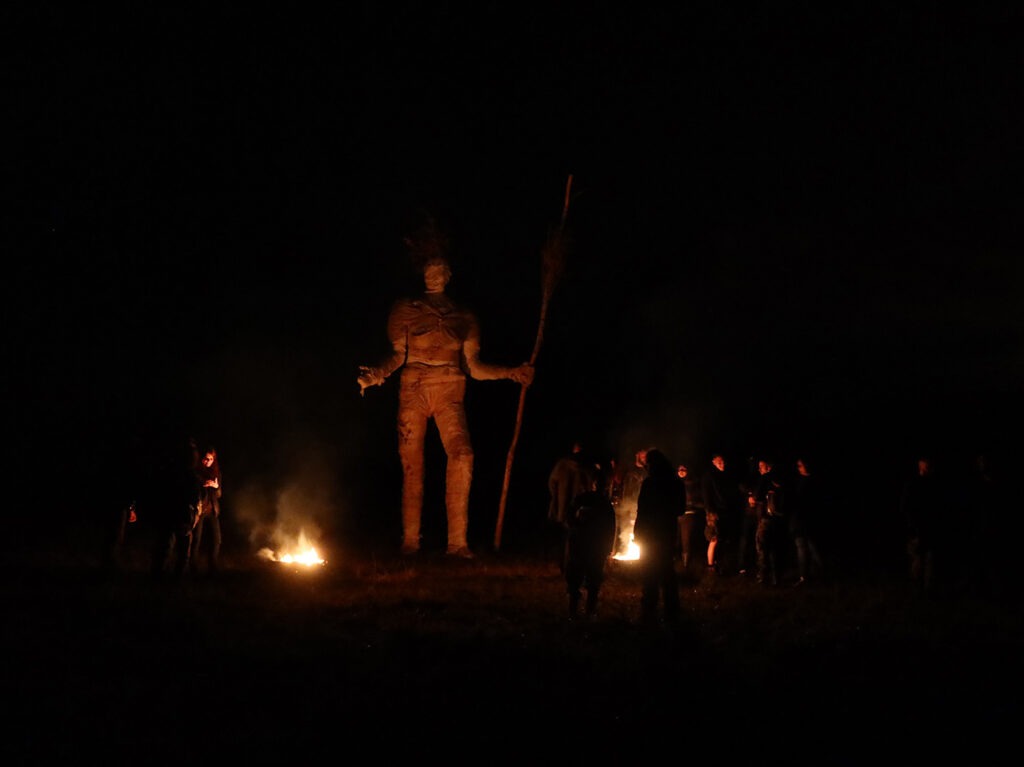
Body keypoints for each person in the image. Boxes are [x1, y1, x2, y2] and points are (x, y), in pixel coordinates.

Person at [357, 223, 534, 558]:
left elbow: (474, 367)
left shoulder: (464, 317)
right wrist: (377, 374)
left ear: (448, 275)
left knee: (463, 454)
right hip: (414, 390)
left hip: (451, 390)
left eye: (441, 269)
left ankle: (457, 543)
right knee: (413, 466)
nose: (434, 274)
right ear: (423, 273)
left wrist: (511, 372)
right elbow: (398, 355)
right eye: (430, 268)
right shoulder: (405, 309)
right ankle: (410, 541)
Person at [632, 448, 683, 626]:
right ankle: (671, 610)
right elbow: (680, 509)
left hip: (651, 533)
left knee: (650, 572)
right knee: (666, 570)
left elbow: (642, 510)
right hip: (666, 532)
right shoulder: (675, 483)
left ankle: (649, 609)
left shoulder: (650, 483)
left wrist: (637, 532)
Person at [563, 465, 617, 621]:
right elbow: (570, 515)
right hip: (586, 544)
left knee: (588, 578)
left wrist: (608, 547)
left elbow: (610, 528)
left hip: (590, 545)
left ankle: (584, 610)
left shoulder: (598, 502)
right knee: (582, 577)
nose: (600, 485)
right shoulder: (589, 500)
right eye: (599, 482)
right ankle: (580, 610)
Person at [149, 434, 201, 581]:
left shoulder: (174, 472)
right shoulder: (188, 476)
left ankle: (161, 577)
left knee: (168, 547)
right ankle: (167, 578)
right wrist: (194, 516)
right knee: (177, 549)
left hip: (174, 515)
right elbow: (193, 499)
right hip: (179, 515)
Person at [901, 455, 951, 597]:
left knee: (930, 560)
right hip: (917, 530)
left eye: (930, 462)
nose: (928, 465)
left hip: (931, 529)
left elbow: (940, 508)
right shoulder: (912, 484)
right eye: (925, 462)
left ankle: (928, 592)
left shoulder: (935, 485)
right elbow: (906, 507)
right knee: (918, 560)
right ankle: (916, 592)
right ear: (920, 464)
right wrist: (913, 526)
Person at [547, 441, 592, 571]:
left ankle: (566, 565)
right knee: (573, 538)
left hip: (565, 508)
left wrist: (556, 498)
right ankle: (568, 565)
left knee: (567, 537)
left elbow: (552, 483)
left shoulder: (563, 464)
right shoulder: (584, 467)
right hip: (575, 509)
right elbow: (589, 487)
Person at [788, 456, 825, 586]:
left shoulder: (812, 482)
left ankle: (819, 575)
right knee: (803, 548)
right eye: (798, 466)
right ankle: (805, 576)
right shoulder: (799, 481)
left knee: (812, 548)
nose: (799, 468)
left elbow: (809, 503)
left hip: (807, 521)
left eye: (801, 465)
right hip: (798, 522)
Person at [190, 445, 223, 575]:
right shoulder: (196, 471)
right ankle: (192, 566)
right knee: (196, 539)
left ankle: (213, 565)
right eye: (205, 458)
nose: (208, 461)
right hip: (199, 510)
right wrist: (203, 484)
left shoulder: (216, 473)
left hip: (212, 510)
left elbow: (219, 494)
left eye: (210, 459)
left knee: (216, 539)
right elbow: (193, 489)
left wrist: (216, 486)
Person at [753, 457, 785, 586]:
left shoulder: (765, 479)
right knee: (775, 549)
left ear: (768, 467)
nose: (759, 469)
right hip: (779, 519)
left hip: (766, 519)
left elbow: (758, 496)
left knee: (762, 548)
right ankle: (776, 578)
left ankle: (762, 578)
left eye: (762, 466)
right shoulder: (783, 478)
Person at [700, 452, 734, 576]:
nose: (722, 464)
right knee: (714, 538)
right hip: (714, 512)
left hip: (724, 511)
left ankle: (720, 564)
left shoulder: (724, 476)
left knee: (723, 539)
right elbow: (706, 495)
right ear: (714, 462)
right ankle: (711, 566)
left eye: (723, 462)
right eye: (719, 462)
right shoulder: (709, 476)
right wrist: (710, 511)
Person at [613, 447, 649, 558]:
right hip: (625, 503)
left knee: (637, 530)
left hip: (639, 505)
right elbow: (619, 482)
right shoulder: (629, 469)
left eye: (645, 457)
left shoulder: (647, 472)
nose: (643, 458)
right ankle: (619, 552)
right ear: (637, 455)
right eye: (641, 456)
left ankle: (638, 555)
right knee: (622, 529)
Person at [676, 463, 703, 574]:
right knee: (675, 538)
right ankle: (673, 560)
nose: (681, 471)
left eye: (684, 469)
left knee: (686, 539)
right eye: (679, 470)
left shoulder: (693, 484)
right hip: (675, 514)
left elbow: (700, 500)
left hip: (688, 514)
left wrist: (692, 504)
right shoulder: (674, 483)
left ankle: (686, 563)